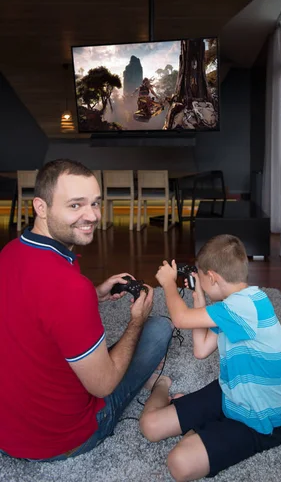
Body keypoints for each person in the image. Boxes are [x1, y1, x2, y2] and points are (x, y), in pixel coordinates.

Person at [0, 159, 173, 461]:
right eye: (75, 205)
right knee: (159, 328)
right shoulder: (69, 288)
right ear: (41, 207)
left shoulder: (10, 252)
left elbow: (35, 308)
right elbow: (103, 385)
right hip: (62, 440)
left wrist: (94, 294)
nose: (92, 215)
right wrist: (136, 322)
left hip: (8, 432)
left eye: (95, 203)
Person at [140, 234, 281, 481]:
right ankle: (162, 384)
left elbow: (180, 319)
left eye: (202, 279)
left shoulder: (243, 307)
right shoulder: (233, 305)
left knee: (179, 464)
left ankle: (206, 428)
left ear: (212, 277)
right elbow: (200, 350)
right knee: (150, 426)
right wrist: (200, 298)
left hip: (257, 419)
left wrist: (169, 284)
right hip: (231, 392)